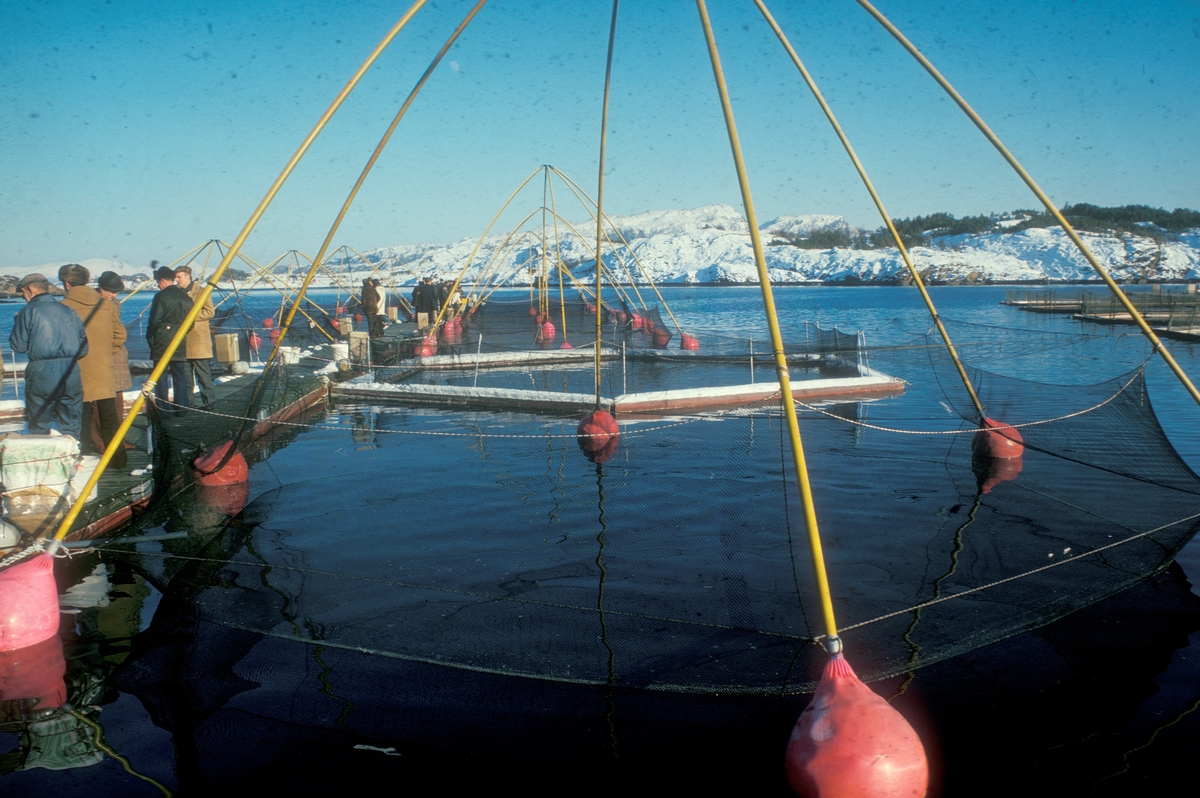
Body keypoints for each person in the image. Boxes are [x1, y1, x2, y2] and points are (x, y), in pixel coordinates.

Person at [58, 264, 128, 468]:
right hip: (103, 371)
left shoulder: (62, 307)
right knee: (110, 419)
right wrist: (106, 353)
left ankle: (84, 464)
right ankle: (119, 461)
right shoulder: (105, 305)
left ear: (66, 283)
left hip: (76, 372)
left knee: (82, 421)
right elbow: (120, 335)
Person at [8, 272, 87, 439]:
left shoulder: (27, 311)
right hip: (71, 371)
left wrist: (17, 324)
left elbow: (19, 346)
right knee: (71, 423)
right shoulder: (69, 311)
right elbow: (84, 348)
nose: (23, 297)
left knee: (39, 423)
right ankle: (72, 458)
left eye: (23, 293)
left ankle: (44, 461)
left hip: (42, 373)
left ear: (30, 289)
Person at [145, 264, 193, 413]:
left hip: (161, 340)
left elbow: (154, 320)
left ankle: (163, 408)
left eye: (158, 282)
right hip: (179, 340)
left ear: (163, 281)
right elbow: (191, 324)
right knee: (180, 375)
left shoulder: (160, 296)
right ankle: (182, 407)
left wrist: (151, 337)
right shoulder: (186, 298)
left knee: (161, 377)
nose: (158, 285)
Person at [173, 265, 216, 408]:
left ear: (188, 277)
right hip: (183, 342)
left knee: (203, 376)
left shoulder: (202, 292)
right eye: (176, 277)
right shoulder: (177, 293)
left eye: (179, 277)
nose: (177, 280)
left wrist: (190, 317)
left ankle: (209, 404)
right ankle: (188, 405)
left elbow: (210, 312)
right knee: (186, 379)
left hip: (199, 342)